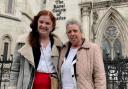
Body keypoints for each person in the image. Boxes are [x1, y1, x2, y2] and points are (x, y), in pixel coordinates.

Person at [8, 10, 63, 89]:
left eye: (47, 23)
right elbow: (15, 68)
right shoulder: (22, 42)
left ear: (52, 26)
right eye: (41, 22)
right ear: (36, 22)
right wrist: (12, 86)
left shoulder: (58, 45)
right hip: (27, 85)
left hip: (51, 86)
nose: (43, 25)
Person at [59, 20, 106, 89]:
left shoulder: (93, 48)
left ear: (81, 32)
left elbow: (100, 76)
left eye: (75, 31)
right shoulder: (63, 49)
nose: (72, 34)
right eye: (69, 32)